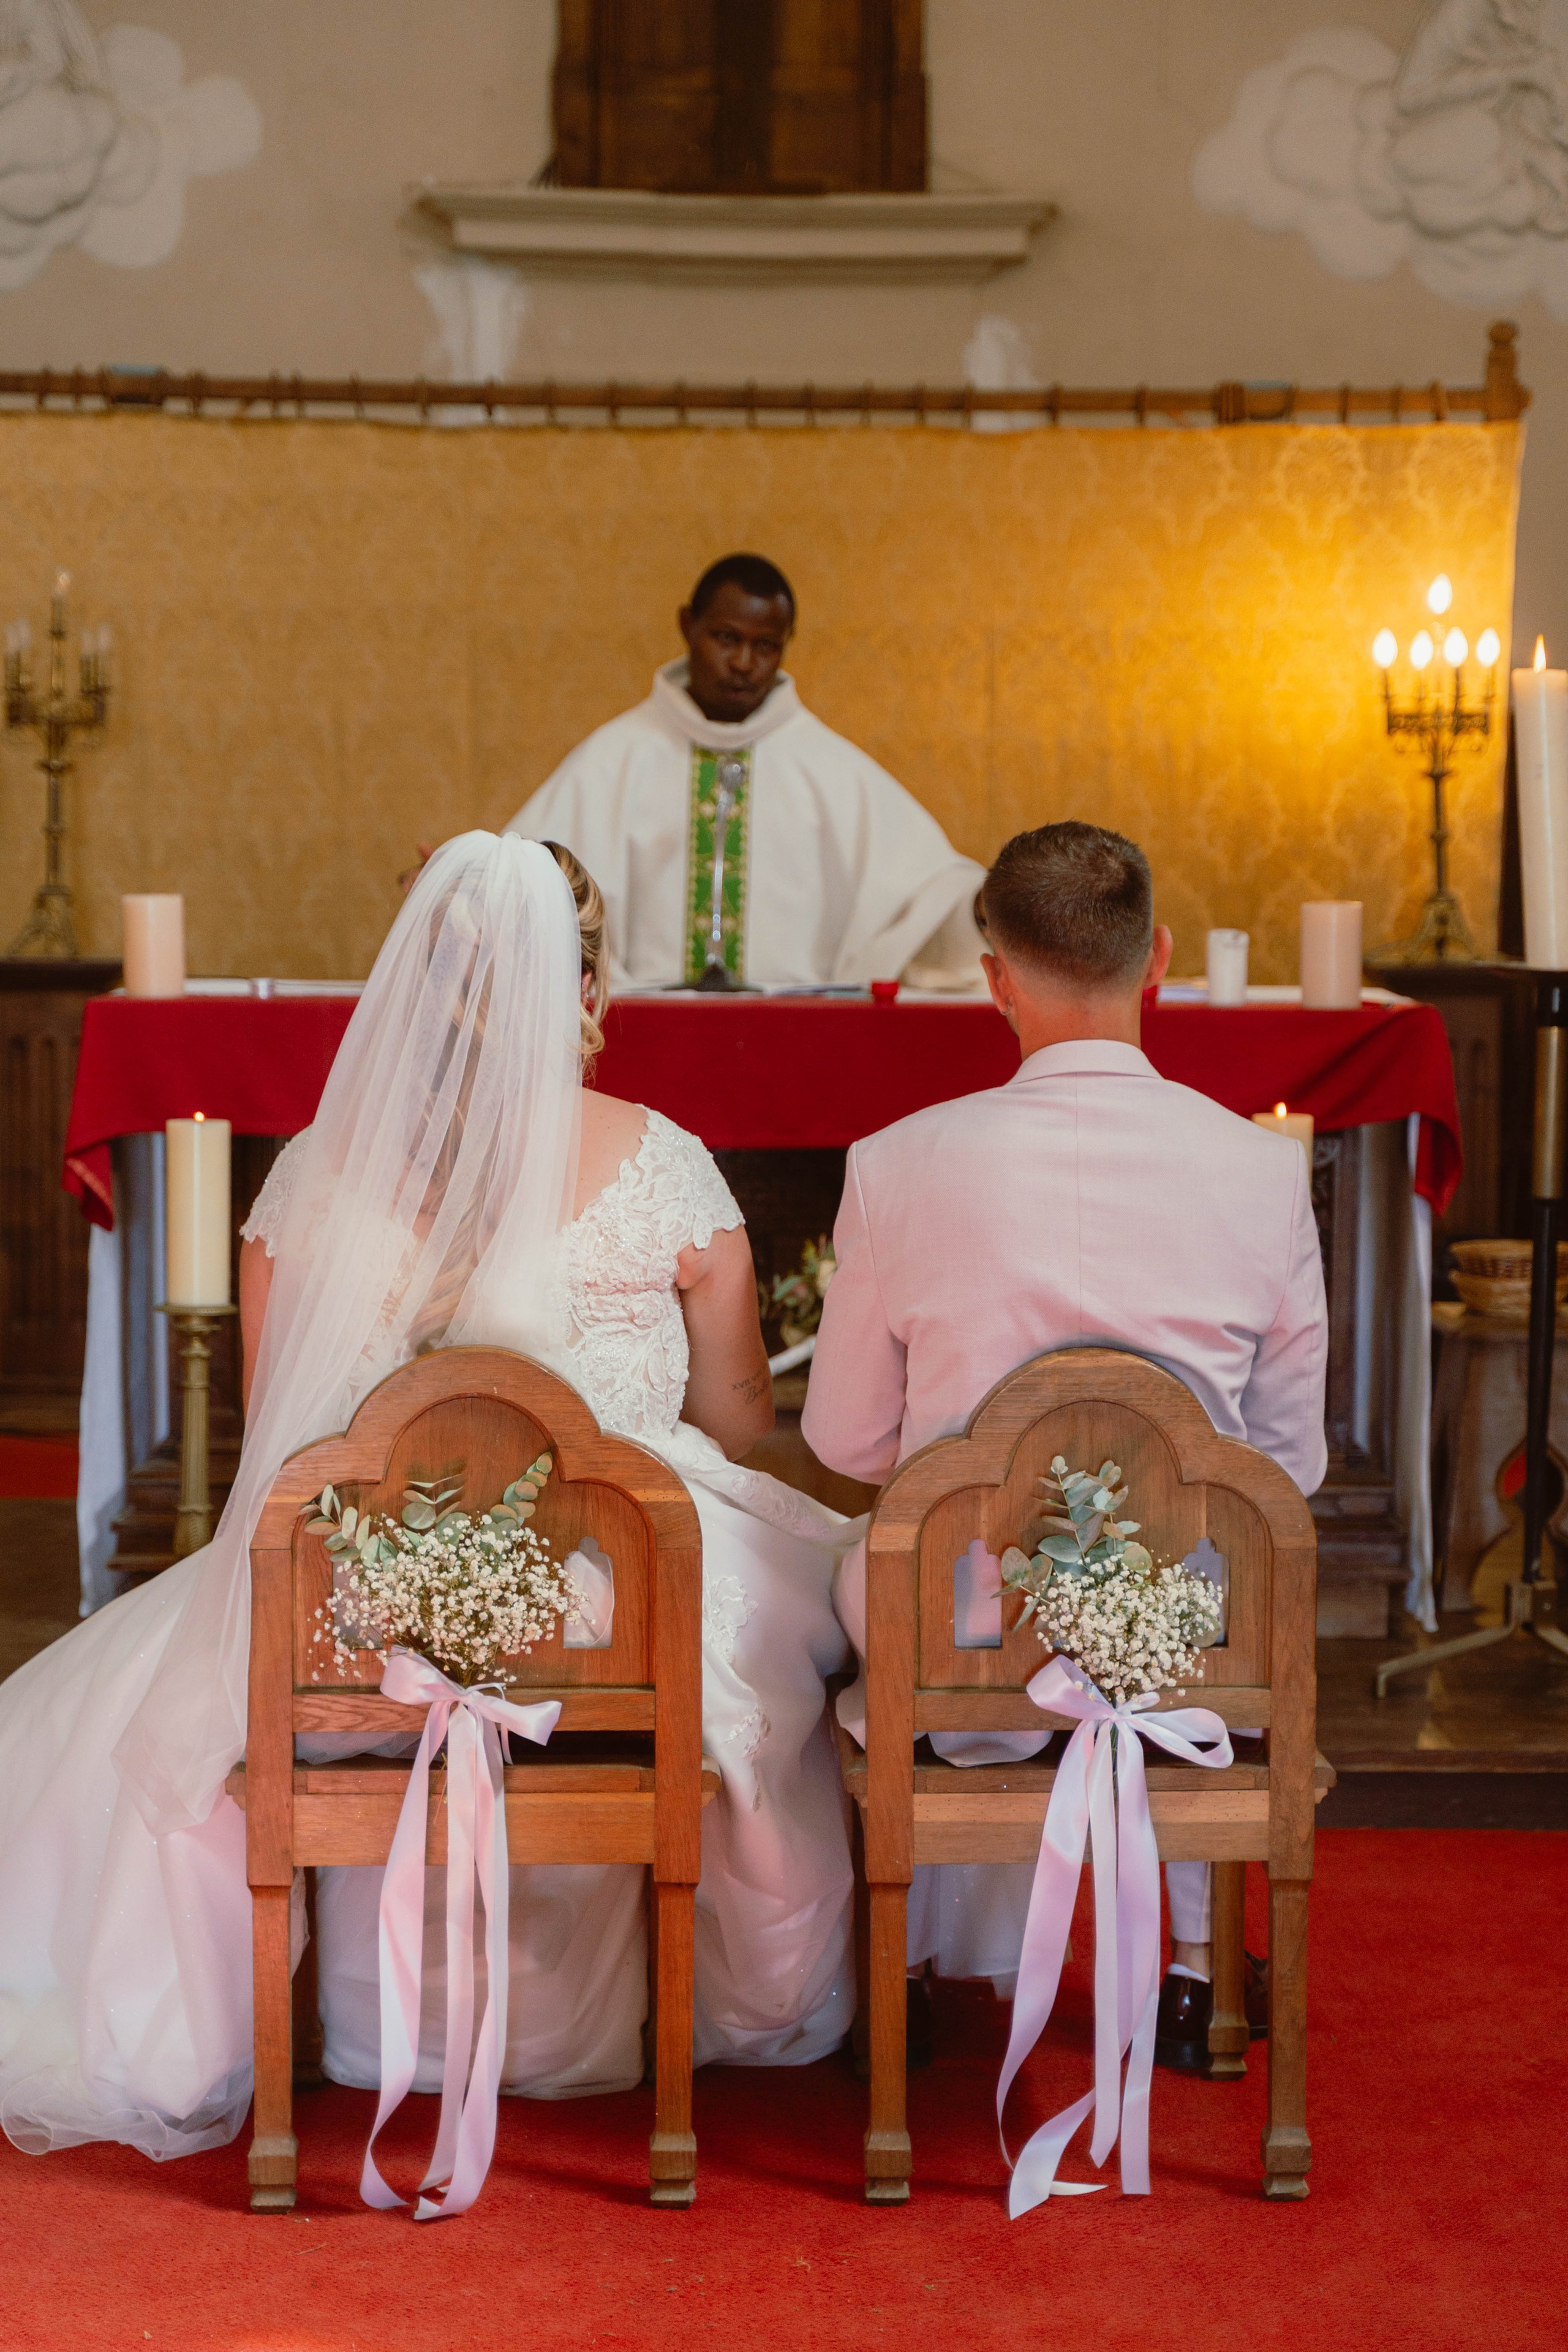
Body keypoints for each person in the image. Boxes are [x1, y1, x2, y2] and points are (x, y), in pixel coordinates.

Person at [0, 832, 856, 2163]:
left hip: (365, 1594)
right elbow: (739, 1419)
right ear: (584, 984)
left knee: (154, 1695)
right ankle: (734, 2004)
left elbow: (286, 1442)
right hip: (621, 1596)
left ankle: (303, 2016)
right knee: (788, 1627)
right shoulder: (662, 1164)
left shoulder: (309, 1181)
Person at [802, 820, 1329, 2075]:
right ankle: (1198, 1982)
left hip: (957, 1618)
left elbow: (842, 1438)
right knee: (1215, 1582)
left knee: (863, 1576)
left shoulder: (893, 1166)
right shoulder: (1260, 1172)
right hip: (1190, 1620)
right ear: (1155, 964)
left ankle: (915, 1964)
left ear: (995, 976)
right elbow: (1289, 1465)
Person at [502, 552, 986, 990]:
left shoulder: (834, 770)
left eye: (766, 646)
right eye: (726, 638)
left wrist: (978, 908)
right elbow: (523, 888)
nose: (743, 663)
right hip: (642, 1029)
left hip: (796, 1036)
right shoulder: (613, 761)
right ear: (688, 625)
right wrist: (473, 886)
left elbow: (932, 901)